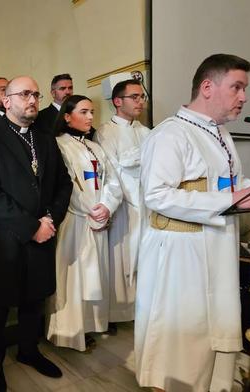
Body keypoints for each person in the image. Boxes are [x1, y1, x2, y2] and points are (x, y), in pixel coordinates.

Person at [135, 54, 250, 392]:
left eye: (245, 89)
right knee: (184, 338)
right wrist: (233, 200)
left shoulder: (219, 133)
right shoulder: (171, 134)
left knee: (215, 328)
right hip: (182, 255)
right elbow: (157, 196)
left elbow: (226, 182)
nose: (244, 97)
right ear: (208, 87)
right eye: (237, 87)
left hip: (216, 245)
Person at [0, 76, 73, 392]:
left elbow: (64, 184)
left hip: (42, 234)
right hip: (4, 239)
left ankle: (29, 352)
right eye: (24, 94)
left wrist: (50, 219)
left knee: (34, 301)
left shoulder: (45, 139)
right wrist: (31, 227)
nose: (32, 100)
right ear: (7, 100)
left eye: (36, 94)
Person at [46, 95, 122, 352]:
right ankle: (69, 332)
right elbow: (63, 185)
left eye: (92, 112)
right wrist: (90, 211)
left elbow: (113, 181)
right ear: (67, 117)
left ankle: (92, 324)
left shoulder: (96, 148)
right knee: (73, 277)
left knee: (95, 274)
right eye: (84, 112)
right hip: (75, 221)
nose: (91, 117)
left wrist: (107, 207)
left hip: (99, 220)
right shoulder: (58, 146)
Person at [94, 79, 150, 328]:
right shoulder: (106, 131)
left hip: (147, 203)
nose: (140, 101)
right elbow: (110, 169)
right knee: (120, 260)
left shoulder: (147, 131)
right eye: (134, 97)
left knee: (144, 258)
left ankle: (142, 308)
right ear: (118, 101)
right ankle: (116, 313)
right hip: (123, 204)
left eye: (142, 97)